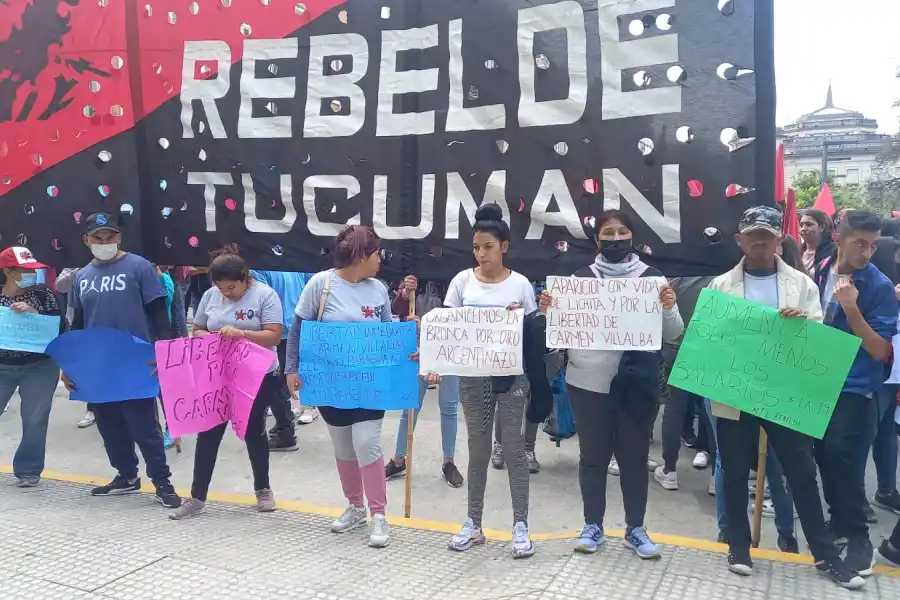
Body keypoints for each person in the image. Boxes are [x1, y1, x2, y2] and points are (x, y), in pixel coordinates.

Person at [706, 206, 863, 588]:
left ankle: (824, 556)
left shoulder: (803, 285)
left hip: (786, 393)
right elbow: (709, 338)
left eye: (768, 234)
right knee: (734, 470)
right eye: (753, 234)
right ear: (740, 240)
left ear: (780, 239)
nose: (760, 240)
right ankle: (739, 546)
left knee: (802, 474)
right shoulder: (720, 287)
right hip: (736, 390)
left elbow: (817, 335)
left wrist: (802, 324)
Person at [539, 210, 683, 559]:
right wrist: (549, 311)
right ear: (597, 239)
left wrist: (668, 307)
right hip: (587, 383)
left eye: (622, 232)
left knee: (633, 458)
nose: (615, 238)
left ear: (632, 237)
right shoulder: (578, 279)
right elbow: (555, 335)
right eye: (608, 232)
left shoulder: (652, 278)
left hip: (636, 385)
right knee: (593, 457)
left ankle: (636, 528)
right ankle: (593, 526)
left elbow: (674, 333)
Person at [285, 225, 411, 549]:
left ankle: (379, 514)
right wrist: (291, 369)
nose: (380, 259)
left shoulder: (378, 289)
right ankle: (355, 506)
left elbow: (386, 333)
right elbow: (298, 329)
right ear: (360, 256)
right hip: (330, 384)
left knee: (367, 442)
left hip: (370, 385)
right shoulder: (320, 284)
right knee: (343, 448)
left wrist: (406, 347)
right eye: (376, 253)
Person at [441, 203, 550, 558]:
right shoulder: (461, 281)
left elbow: (534, 336)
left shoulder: (520, 285)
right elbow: (447, 329)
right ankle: (474, 523)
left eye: (487, 246)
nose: (481, 253)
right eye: (476, 247)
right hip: (474, 378)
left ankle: (521, 524)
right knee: (478, 450)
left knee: (515, 449)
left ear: (503, 246)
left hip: (512, 377)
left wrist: (529, 320)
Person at [64, 213, 181, 508]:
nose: (104, 243)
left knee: (144, 426)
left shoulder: (139, 267)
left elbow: (158, 312)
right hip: (98, 365)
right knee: (109, 425)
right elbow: (76, 324)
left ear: (120, 238)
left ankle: (162, 481)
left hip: (136, 362)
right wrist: (70, 365)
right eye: (98, 238)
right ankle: (126, 476)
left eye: (110, 237)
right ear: (86, 240)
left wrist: (163, 351)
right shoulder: (82, 277)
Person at [170, 246, 283, 519]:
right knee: (208, 432)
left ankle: (263, 488)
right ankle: (197, 496)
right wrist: (203, 335)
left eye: (232, 288)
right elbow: (197, 327)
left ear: (246, 278)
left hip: (257, 375)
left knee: (253, 430)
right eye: (222, 289)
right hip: (218, 373)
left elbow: (274, 336)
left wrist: (241, 334)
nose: (227, 294)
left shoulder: (265, 296)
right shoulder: (210, 296)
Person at [813, 211, 897, 576]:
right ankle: (839, 522)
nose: (867, 251)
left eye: (873, 244)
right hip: (816, 381)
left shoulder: (878, 286)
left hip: (856, 387)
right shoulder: (821, 267)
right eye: (860, 243)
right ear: (839, 238)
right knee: (824, 456)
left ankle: (859, 536)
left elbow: (881, 350)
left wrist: (852, 308)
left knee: (843, 458)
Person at [385, 274, 464, 487]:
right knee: (409, 408)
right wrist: (403, 293)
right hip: (415, 351)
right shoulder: (414, 271)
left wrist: (431, 335)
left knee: (449, 408)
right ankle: (399, 459)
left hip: (449, 350)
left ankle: (449, 461)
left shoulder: (458, 278)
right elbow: (396, 308)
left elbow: (463, 319)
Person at [0, 247, 65, 487]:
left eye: (33, 270)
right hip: (3, 365)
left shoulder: (43, 294)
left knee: (35, 419)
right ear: (8, 270)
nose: (31, 275)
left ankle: (28, 469)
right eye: (24, 271)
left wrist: (35, 314)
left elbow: (60, 327)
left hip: (39, 367)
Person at [656, 275, 715, 492]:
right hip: (710, 345)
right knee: (711, 410)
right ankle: (715, 477)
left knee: (674, 408)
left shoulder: (675, 272)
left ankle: (670, 470)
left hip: (676, 344)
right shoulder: (721, 274)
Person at [250, 269, 312, 452]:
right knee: (281, 384)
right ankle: (283, 424)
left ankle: (286, 433)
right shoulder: (295, 263)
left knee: (276, 387)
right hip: (296, 325)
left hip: (275, 330)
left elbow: (261, 298)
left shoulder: (260, 269)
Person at [866, 236, 900, 517]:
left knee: (887, 435)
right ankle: (852, 502)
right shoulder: (877, 286)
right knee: (866, 434)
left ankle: (887, 490)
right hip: (876, 371)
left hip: (894, 373)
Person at [56, 267, 96, 429]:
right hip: (86, 326)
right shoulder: (76, 268)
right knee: (92, 370)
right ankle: (92, 409)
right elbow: (60, 286)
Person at [799, 208, 836, 276]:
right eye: (801, 225)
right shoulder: (797, 252)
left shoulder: (834, 253)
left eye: (809, 224)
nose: (803, 228)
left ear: (821, 227)